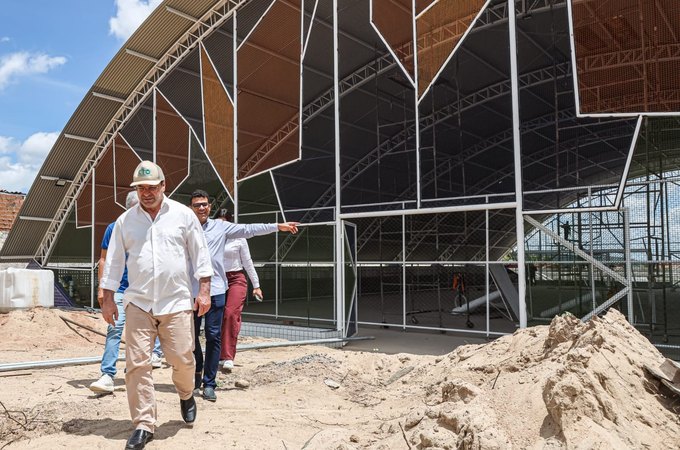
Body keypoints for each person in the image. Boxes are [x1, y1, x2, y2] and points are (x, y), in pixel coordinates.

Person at [100, 161, 213, 450]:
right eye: (141, 188)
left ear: (164, 186)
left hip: (175, 301)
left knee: (182, 359)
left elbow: (200, 253)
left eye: (152, 187)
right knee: (136, 364)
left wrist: (204, 289)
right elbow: (113, 261)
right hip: (138, 302)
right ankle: (143, 423)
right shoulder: (126, 221)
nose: (146, 193)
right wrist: (108, 297)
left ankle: (186, 393)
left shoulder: (183, 215)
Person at [189, 193, 298, 402]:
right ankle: (196, 375)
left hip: (216, 289)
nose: (201, 208)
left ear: (209, 207)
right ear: (191, 208)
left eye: (204, 205)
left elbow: (249, 229)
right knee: (192, 338)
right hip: (192, 292)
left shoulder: (221, 227)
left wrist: (277, 226)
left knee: (213, 336)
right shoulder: (185, 226)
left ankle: (210, 382)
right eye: (196, 205)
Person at [89, 191, 163, 394]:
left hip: (145, 289)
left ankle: (147, 362)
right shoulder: (114, 228)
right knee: (115, 328)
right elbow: (103, 259)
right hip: (121, 289)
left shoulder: (154, 227)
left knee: (150, 327)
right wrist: (103, 289)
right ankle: (107, 375)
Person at [216, 208, 263, 372]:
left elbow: (247, 262)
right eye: (219, 221)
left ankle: (228, 356)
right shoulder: (213, 237)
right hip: (217, 279)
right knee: (217, 316)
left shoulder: (239, 237)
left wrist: (256, 285)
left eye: (226, 221)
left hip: (236, 278)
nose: (223, 224)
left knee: (230, 314)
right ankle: (218, 354)